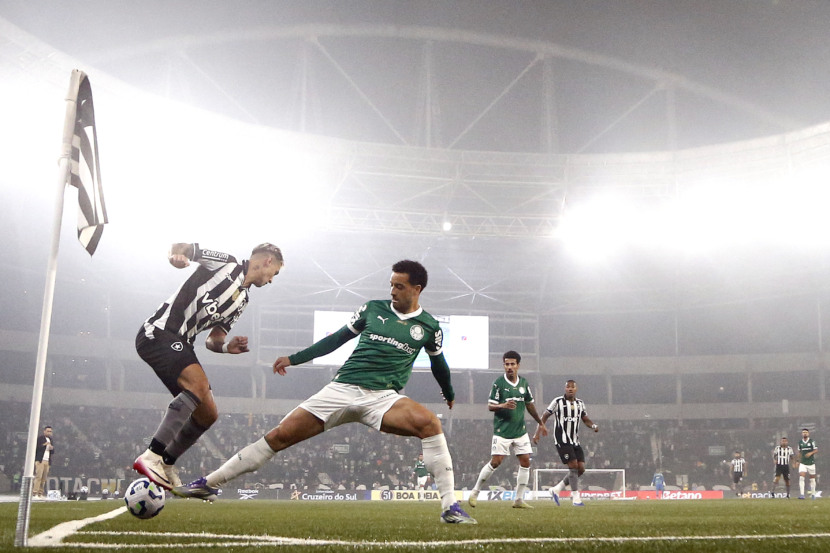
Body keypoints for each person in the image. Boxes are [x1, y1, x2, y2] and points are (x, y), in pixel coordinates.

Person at [174, 260, 476, 524]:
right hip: (341, 389)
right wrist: (296, 358)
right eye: (391, 285)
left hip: (383, 398)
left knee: (430, 424)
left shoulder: (429, 326)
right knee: (278, 437)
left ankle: (449, 506)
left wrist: (448, 392)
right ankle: (209, 483)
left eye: (399, 286)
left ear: (417, 289)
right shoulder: (373, 309)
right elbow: (336, 340)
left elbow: (439, 363)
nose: (392, 291)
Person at [133, 242, 284, 490]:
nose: (271, 280)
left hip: (183, 342)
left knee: (208, 413)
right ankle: (151, 456)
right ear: (268, 261)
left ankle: (167, 463)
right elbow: (180, 247)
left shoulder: (242, 300)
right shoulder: (227, 263)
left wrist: (226, 347)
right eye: (274, 273)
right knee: (198, 385)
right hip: (159, 331)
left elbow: (214, 339)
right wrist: (176, 257)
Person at [468, 351, 544, 509]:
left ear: (518, 365)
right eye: (507, 364)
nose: (509, 367)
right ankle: (475, 492)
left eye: (512, 364)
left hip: (520, 430)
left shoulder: (524, 383)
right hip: (502, 430)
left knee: (526, 461)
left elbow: (529, 404)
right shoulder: (498, 383)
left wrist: (540, 422)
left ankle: (518, 499)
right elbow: (490, 406)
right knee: (495, 462)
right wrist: (503, 405)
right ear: (504, 365)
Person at [532, 379, 598, 507]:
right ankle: (575, 498)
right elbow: (544, 416)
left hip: (575, 441)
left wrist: (593, 425)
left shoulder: (580, 403)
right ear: (565, 389)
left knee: (581, 469)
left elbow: (585, 419)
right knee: (573, 467)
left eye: (573, 387)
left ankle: (556, 489)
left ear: (576, 389)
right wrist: (537, 433)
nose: (570, 389)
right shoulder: (558, 402)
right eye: (568, 387)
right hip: (562, 440)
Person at [33, 425, 54, 499]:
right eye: (48, 431)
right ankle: (35, 493)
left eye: (50, 431)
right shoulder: (40, 438)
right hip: (40, 460)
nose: (49, 433)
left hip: (47, 460)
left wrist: (51, 448)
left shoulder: (51, 439)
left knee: (44, 478)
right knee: (38, 476)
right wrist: (44, 444)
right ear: (44, 431)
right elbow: (37, 447)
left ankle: (40, 493)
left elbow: (52, 452)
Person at [797, 428, 818, 499]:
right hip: (803, 463)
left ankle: (813, 494)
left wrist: (810, 453)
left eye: (806, 432)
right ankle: (802, 494)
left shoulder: (812, 441)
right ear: (802, 434)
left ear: (808, 433)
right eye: (803, 432)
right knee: (801, 477)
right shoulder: (800, 442)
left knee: (812, 479)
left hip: (811, 463)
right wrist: (798, 461)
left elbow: (816, 450)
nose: (805, 433)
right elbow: (799, 452)